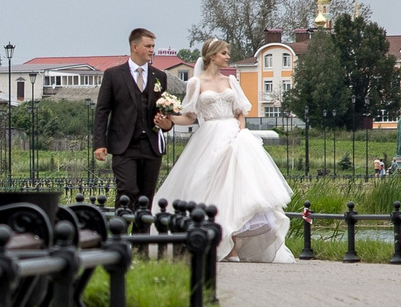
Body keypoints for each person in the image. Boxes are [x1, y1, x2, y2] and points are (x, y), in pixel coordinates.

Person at [154, 41, 297, 262]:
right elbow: (190, 116)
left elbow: (241, 111)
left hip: (235, 136)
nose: (228, 56)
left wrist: (241, 133)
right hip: (209, 137)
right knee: (210, 188)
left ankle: (235, 246)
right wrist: (170, 117)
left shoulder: (231, 80)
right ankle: (220, 245)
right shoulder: (195, 83)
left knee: (237, 190)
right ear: (212, 56)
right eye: (224, 53)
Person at [92, 27, 168, 206]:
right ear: (134, 47)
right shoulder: (113, 75)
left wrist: (167, 124)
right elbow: (102, 110)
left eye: (153, 46)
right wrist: (99, 143)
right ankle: (121, 232)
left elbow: (166, 110)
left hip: (151, 146)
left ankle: (141, 234)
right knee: (127, 191)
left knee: (146, 197)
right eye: (148, 46)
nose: (152, 50)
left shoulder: (160, 76)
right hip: (124, 146)